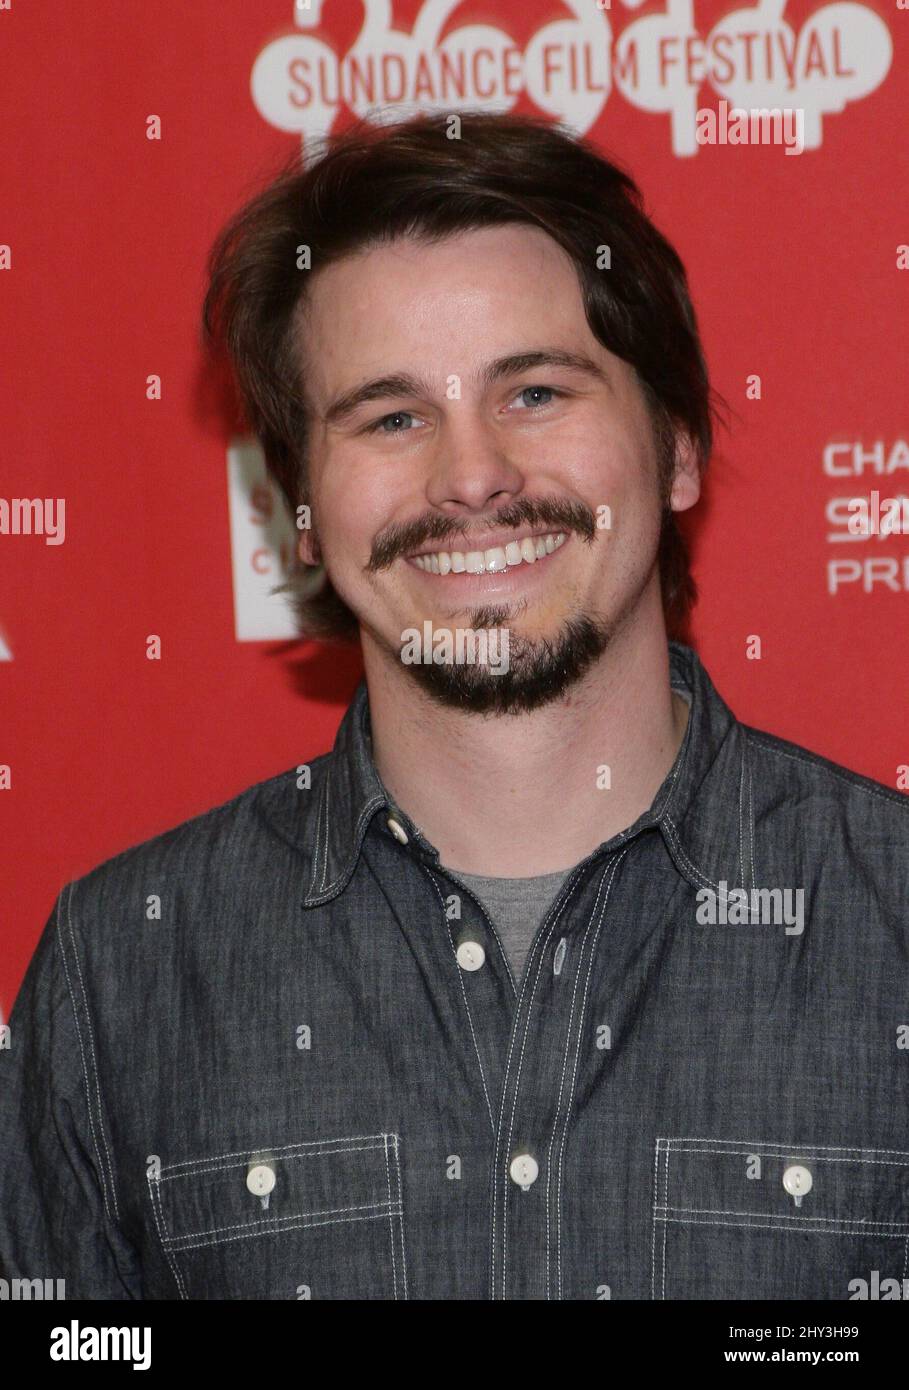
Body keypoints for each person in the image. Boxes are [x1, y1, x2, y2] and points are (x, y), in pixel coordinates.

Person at [2, 111, 907, 1302]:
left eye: (534, 391)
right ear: (303, 515)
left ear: (678, 446)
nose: (471, 473)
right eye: (390, 416)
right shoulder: (120, 975)